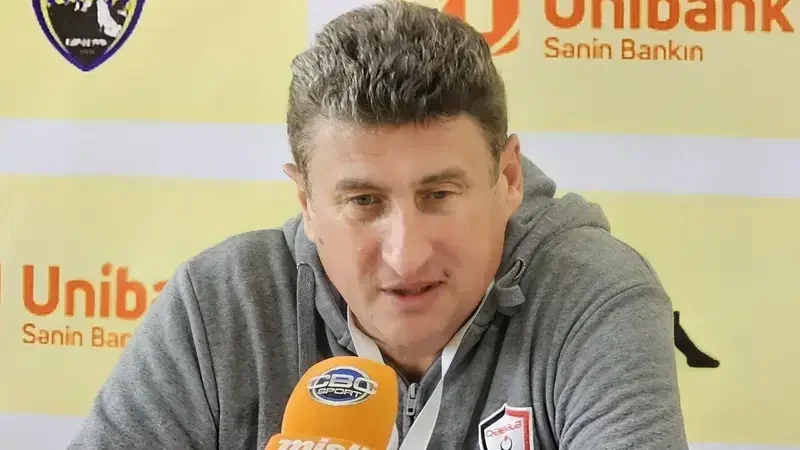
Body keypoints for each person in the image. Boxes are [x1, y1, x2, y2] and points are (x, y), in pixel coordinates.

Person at [68, 1, 689, 448]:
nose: (406, 255)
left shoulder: (592, 295)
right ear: (307, 202)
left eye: (439, 194)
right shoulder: (220, 304)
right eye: (364, 202)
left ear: (507, 179)